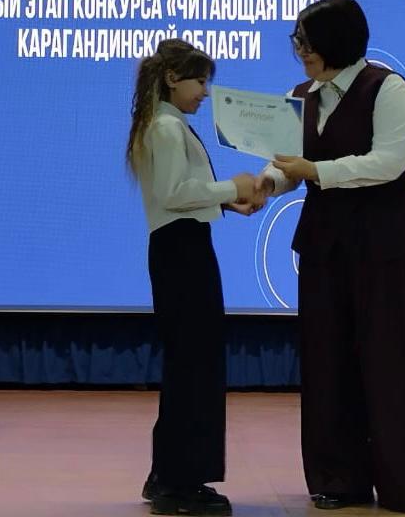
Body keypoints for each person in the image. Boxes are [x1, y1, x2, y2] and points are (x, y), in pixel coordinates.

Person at [255, 0, 405, 513]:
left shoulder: (388, 88)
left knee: (393, 362)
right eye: (297, 42)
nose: (301, 51)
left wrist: (317, 171)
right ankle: (338, 479)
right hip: (324, 244)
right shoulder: (299, 96)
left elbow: (388, 163)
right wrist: (265, 184)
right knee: (327, 361)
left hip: (388, 245)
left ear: (339, 40)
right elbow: (285, 164)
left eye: (307, 42)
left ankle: (403, 486)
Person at [127, 39, 259, 516]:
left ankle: (168, 473)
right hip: (182, 251)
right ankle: (179, 482)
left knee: (188, 364)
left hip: (181, 246)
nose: (205, 92)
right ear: (172, 79)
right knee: (194, 365)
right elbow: (174, 193)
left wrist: (227, 202)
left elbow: (179, 192)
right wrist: (231, 187)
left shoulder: (165, 124)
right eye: (200, 81)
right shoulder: (166, 127)